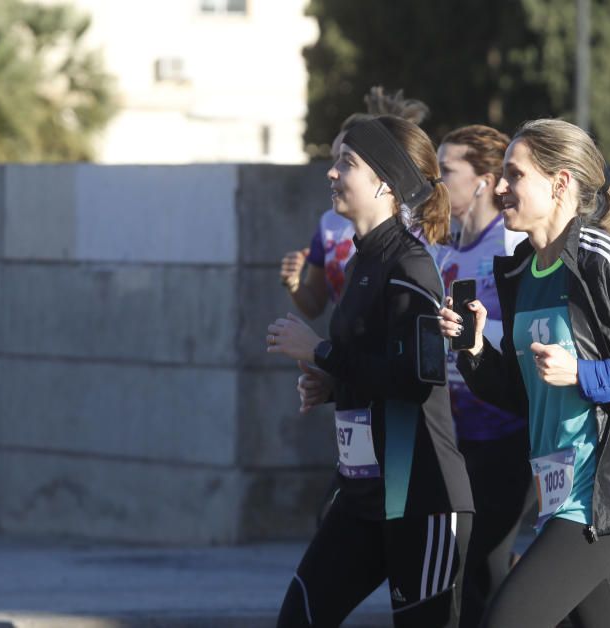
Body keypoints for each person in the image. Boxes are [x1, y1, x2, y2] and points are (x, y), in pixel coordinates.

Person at [439, 119, 610, 628]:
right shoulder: (523, 269)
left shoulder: (603, 258)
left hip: (605, 491)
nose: (500, 187)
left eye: (514, 175)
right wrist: (475, 351)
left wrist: (587, 374)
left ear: (560, 183)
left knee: (506, 620)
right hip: (557, 489)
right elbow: (528, 397)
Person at [267, 115, 473, 628]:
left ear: (385, 181)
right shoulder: (361, 262)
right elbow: (378, 367)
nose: (332, 174)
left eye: (346, 163)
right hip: (362, 494)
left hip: (419, 496)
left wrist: (322, 355)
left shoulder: (412, 265)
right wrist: (333, 386)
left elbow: (415, 377)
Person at [434, 124, 531, 627]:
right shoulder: (445, 249)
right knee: (462, 567)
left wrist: (468, 330)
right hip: (456, 435)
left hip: (505, 432)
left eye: (447, 170)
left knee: (482, 564)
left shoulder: (509, 246)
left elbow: (525, 332)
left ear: (485, 181)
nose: (437, 179)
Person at [281, 87, 430, 319]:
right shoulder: (330, 225)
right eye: (334, 159)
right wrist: (294, 284)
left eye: (347, 161)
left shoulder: (412, 247)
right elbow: (317, 306)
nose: (332, 172)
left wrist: (319, 351)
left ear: (383, 173)